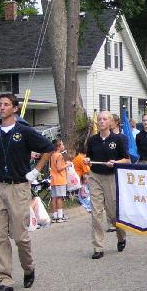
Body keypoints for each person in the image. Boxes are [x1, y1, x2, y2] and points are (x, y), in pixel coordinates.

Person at [0, 93, 54, 291]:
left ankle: (28, 266)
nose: (2, 107)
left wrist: (36, 170)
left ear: (15, 108)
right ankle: (4, 279)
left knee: (19, 236)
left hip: (18, 187)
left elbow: (48, 148)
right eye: (0, 105)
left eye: (6, 104)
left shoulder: (24, 131)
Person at [83, 111, 130, 259]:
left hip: (111, 177)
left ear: (110, 122)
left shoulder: (118, 139)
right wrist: (86, 160)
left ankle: (121, 236)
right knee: (96, 213)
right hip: (95, 176)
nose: (101, 121)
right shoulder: (92, 140)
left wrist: (116, 162)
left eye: (104, 119)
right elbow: (88, 156)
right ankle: (98, 247)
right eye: (99, 119)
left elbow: (127, 160)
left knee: (112, 214)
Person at [50, 139, 72, 223]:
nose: (63, 146)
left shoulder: (52, 155)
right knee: (60, 197)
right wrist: (67, 164)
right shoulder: (59, 155)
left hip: (53, 179)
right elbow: (59, 168)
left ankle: (55, 215)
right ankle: (60, 215)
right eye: (62, 144)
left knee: (54, 197)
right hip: (60, 179)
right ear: (58, 147)